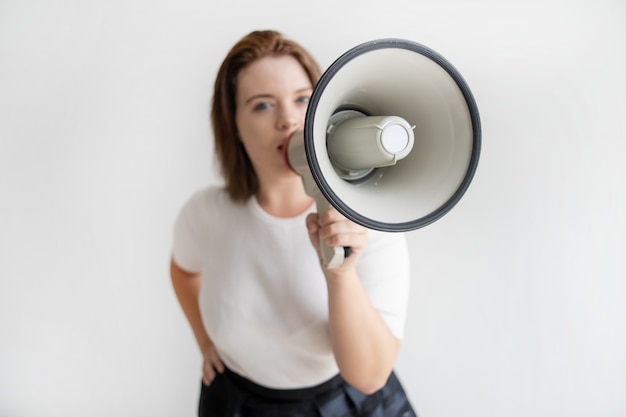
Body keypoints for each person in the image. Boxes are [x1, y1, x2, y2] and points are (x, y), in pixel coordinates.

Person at [170, 29, 417, 417]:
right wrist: (206, 343)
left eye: (303, 99)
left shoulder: (369, 222)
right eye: (262, 105)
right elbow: (183, 272)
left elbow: (369, 376)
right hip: (238, 403)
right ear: (232, 123)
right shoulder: (206, 214)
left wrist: (340, 273)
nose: (288, 120)